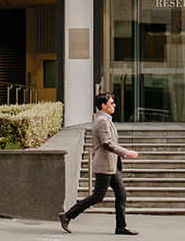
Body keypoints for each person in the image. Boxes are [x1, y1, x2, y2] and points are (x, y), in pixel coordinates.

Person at [59, 93, 139, 235]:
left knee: (121, 194)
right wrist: (126, 152)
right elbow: (107, 143)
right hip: (105, 164)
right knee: (98, 196)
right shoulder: (102, 121)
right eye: (112, 103)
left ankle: (121, 226)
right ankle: (67, 215)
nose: (114, 105)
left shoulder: (105, 119)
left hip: (112, 165)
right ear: (103, 105)